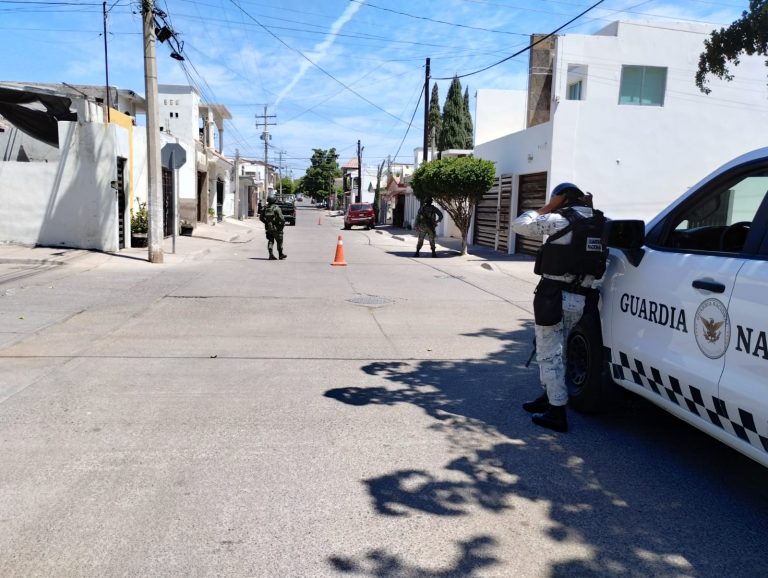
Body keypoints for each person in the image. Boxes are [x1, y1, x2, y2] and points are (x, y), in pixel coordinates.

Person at [510, 183, 607, 432]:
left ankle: (556, 412)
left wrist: (548, 207)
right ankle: (548, 396)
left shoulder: (559, 220)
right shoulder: (598, 221)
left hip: (553, 297)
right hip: (581, 297)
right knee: (559, 350)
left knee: (549, 353)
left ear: (561, 199)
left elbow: (519, 225)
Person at [259, 193, 287, 260]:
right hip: (277, 228)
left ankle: (270, 254)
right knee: (279, 241)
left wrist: (266, 223)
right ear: (274, 200)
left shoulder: (265, 208)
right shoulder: (277, 208)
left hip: (269, 228)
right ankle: (280, 254)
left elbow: (261, 218)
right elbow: (282, 218)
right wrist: (282, 225)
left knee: (270, 240)